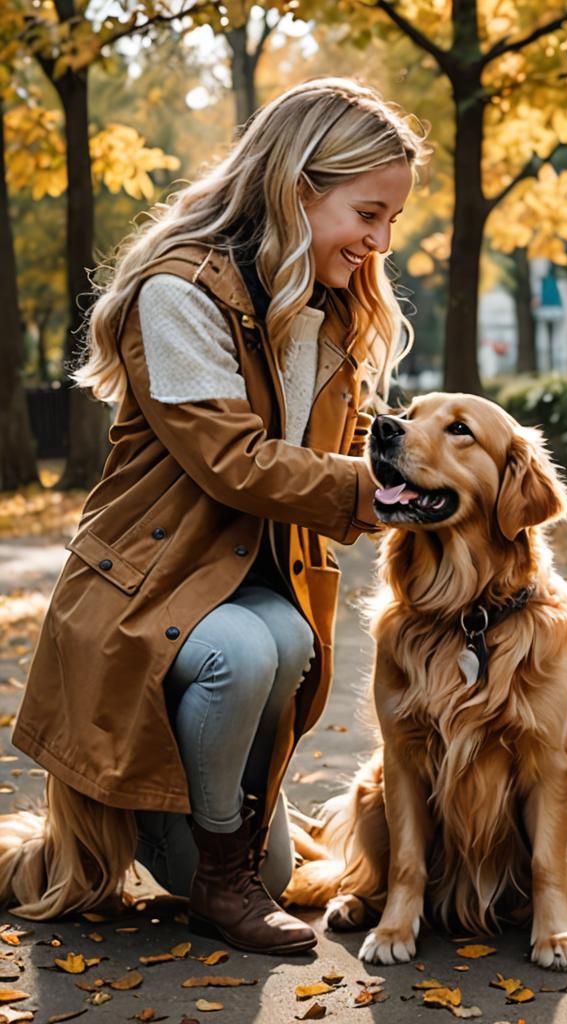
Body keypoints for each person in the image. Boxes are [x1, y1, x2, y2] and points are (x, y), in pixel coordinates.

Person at [2, 78, 430, 956]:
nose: (380, 243)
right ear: (299, 186)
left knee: (287, 644)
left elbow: (344, 444)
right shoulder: (179, 289)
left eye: (391, 221)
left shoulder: (334, 304)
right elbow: (234, 463)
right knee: (244, 652)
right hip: (150, 580)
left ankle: (228, 858)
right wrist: (377, 495)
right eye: (368, 213)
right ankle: (218, 874)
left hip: (249, 577)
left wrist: (422, 475)